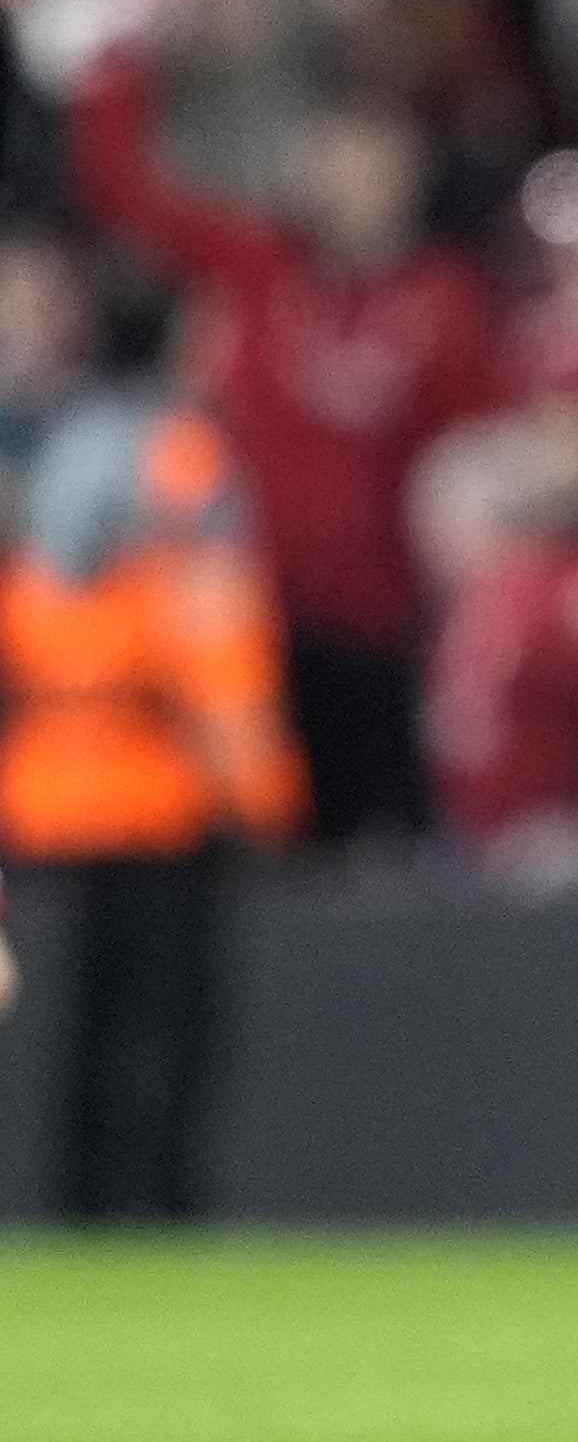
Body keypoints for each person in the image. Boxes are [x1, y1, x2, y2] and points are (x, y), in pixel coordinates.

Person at [64, 46, 499, 844]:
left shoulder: (446, 299)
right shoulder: (264, 268)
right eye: (336, 158)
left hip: (389, 628)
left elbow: (469, 456)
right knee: (271, 846)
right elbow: (128, 198)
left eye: (372, 162)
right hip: (258, 622)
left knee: (380, 843)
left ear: (409, 172)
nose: (351, 182)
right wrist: (120, 62)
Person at [0, 363, 307, 1218]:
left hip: (42, 820)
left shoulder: (34, 587)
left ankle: (66, 1206)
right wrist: (267, 814)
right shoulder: (179, 574)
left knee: (58, 1040)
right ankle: (139, 1209)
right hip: (159, 823)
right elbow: (225, 702)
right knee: (154, 1039)